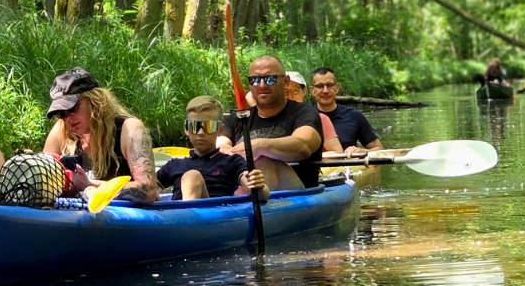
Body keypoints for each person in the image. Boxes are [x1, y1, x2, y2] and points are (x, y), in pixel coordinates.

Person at [42, 67, 159, 203]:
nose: (68, 118)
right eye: (61, 113)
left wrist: (91, 185)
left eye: (72, 108)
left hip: (121, 219)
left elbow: (149, 190)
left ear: (95, 100)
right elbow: (42, 179)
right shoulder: (61, 131)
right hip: (76, 218)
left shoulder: (129, 129)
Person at [216, 55, 323, 191]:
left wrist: (260, 146)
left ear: (285, 82)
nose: (262, 85)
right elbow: (219, 148)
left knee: (263, 161)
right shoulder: (236, 118)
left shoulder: (304, 112)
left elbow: (304, 145)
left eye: (270, 79)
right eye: (255, 80)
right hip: (241, 189)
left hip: (296, 195)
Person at [156, 96, 269, 201]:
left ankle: (187, 219)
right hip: (178, 217)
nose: (200, 133)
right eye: (194, 126)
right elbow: (148, 190)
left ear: (220, 130)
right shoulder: (174, 165)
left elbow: (257, 190)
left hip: (215, 217)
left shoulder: (231, 162)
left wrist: (258, 185)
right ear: (186, 129)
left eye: (208, 126)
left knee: (192, 177)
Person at [309, 67, 383, 155]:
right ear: (312, 90)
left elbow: (379, 149)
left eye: (330, 85)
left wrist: (361, 151)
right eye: (320, 86)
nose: (325, 91)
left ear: (337, 88)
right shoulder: (305, 116)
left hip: (348, 166)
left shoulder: (354, 116)